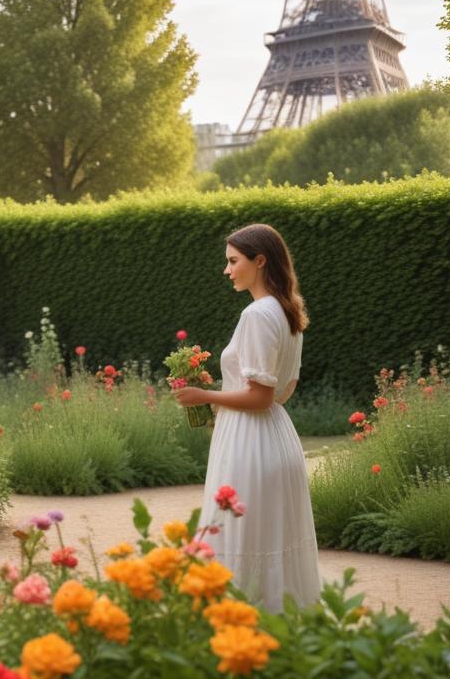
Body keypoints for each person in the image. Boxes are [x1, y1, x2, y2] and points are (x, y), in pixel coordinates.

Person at [172, 223, 321, 611]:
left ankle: (237, 630)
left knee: (238, 538)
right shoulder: (289, 314)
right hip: (277, 438)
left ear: (260, 261)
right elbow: (284, 391)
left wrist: (203, 395)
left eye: (233, 261)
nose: (227, 270)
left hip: (250, 443)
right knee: (271, 541)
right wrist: (226, 390)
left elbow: (260, 395)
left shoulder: (257, 315)